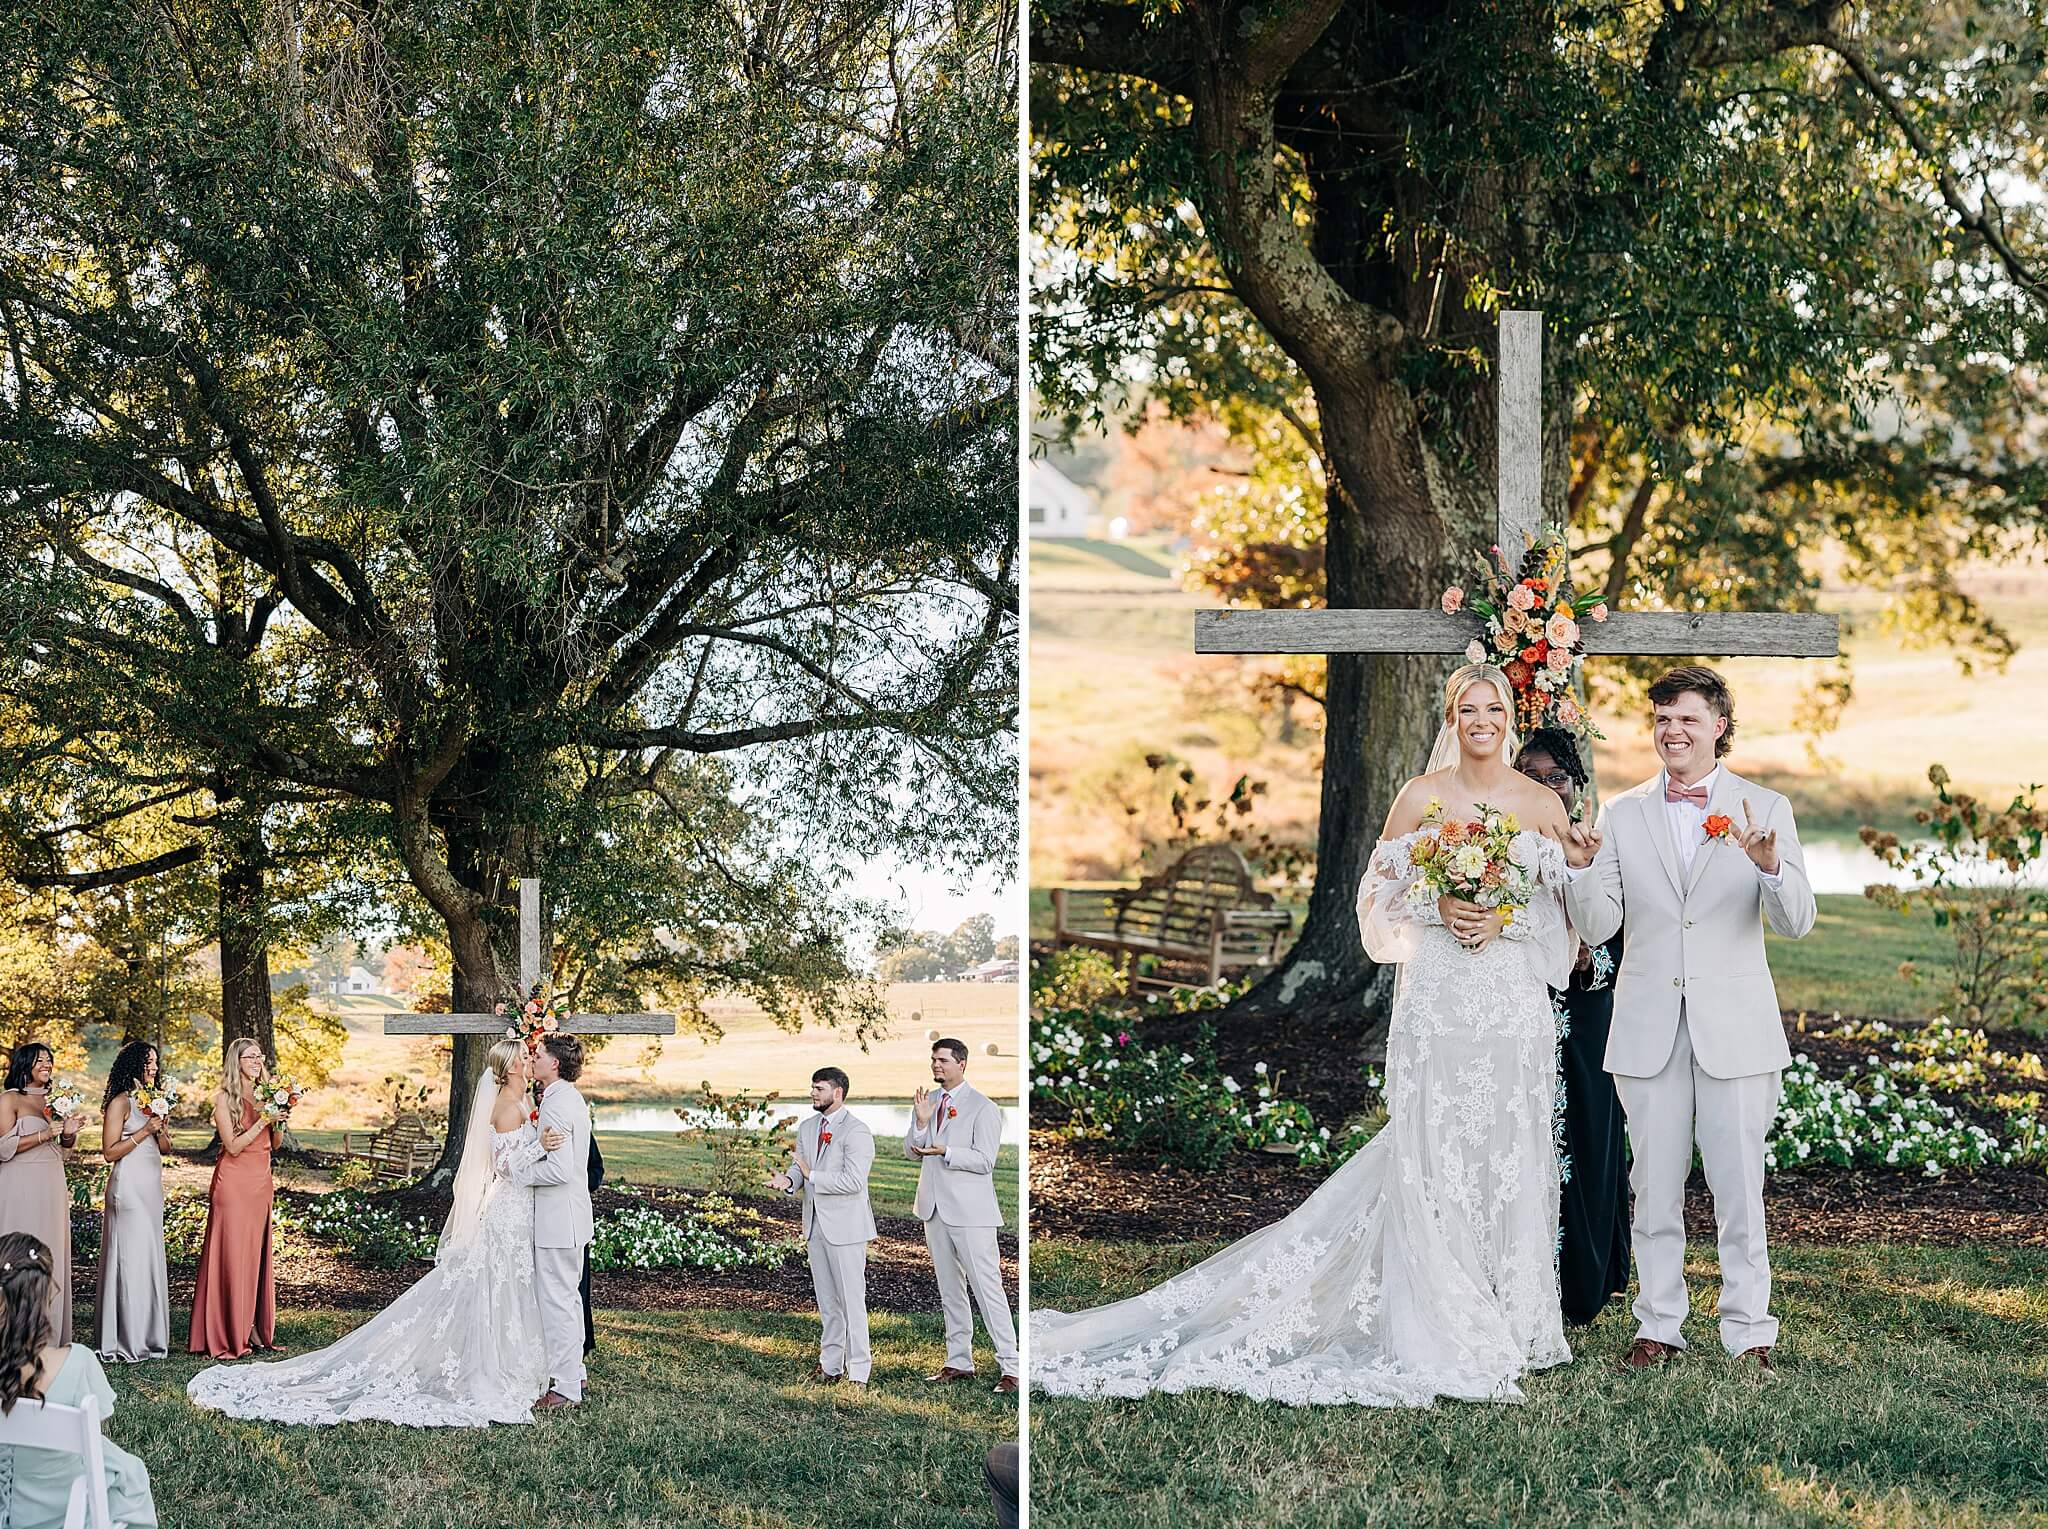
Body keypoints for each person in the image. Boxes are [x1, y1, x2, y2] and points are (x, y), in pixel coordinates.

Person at [1032, 663, 1576, 1406]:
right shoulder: (1421, 796)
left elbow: (1560, 915)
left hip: (1510, 1003)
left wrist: (1501, 915)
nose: (1482, 719)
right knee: (1435, 1141)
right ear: (1452, 716)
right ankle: (1439, 1310)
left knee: (1507, 1147)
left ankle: (1511, 1314)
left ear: (1512, 714)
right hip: (1442, 996)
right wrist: (1439, 904)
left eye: (1494, 706)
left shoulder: (1540, 801)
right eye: (1468, 707)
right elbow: (1376, 892)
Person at [1563, 665, 1815, 1372]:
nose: (1672, 731)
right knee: (1653, 1187)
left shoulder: (1765, 807)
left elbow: (1797, 920)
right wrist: (1580, 870)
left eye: (1687, 719)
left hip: (1735, 1029)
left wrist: (1770, 869)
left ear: (1719, 726)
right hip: (1648, 1026)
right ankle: (1659, 1324)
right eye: (1663, 718)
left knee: (1740, 1188)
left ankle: (1749, 1331)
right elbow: (1602, 920)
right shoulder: (1623, 812)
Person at [187, 1038, 563, 1425]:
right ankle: (488, 1367)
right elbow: (503, 1165)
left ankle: (509, 1360)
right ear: (512, 1067)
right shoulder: (503, 1104)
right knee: (491, 1283)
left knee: (507, 1285)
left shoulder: (526, 1100)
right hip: (505, 1207)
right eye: (525, 1056)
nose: (530, 1059)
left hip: (519, 1207)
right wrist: (540, 1148)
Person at [1516, 728, 1630, 1326]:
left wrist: (1591, 954)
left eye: (1555, 777)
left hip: (1586, 1016)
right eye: (1530, 777)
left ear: (1576, 784)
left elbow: (1620, 937)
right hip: (1522, 1011)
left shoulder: (1600, 844)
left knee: (1587, 1132)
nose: (1544, 789)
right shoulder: (1499, 846)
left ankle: (1585, 1277)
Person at [0, 1232, 157, 1528]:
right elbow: (91, 1439)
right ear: (46, 1296)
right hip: (62, 1513)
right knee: (130, 1474)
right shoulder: (77, 1363)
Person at [907, 1039, 1018, 1394]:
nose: (935, 1066)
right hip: (933, 1209)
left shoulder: (983, 1107)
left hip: (971, 1214)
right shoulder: (928, 1102)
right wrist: (922, 1125)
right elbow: (912, 1152)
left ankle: (1012, 1368)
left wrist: (948, 1151)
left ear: (962, 1064)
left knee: (988, 1289)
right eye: (932, 1060)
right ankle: (958, 1361)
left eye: (942, 1060)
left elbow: (986, 1161)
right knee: (949, 1290)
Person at [770, 1067, 877, 1386]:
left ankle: (859, 1371)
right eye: (812, 1087)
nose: (813, 1093)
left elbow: (854, 1181)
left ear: (838, 1093)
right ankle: (830, 1365)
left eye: (820, 1088)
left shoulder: (857, 1131)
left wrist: (812, 1174)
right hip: (815, 1225)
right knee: (828, 1302)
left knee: (851, 1302)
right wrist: (789, 1180)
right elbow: (799, 1167)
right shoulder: (807, 1128)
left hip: (846, 1229)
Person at [187, 1039, 283, 1360]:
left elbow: (277, 1143)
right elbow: (233, 1145)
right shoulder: (224, 1099)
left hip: (261, 1183)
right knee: (232, 1256)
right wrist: (263, 1121)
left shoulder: (267, 1095)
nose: (257, 1060)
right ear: (236, 1061)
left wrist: (279, 1120)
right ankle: (227, 1331)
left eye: (260, 1055)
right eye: (250, 1056)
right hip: (234, 1184)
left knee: (255, 1257)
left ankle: (252, 1327)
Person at [512, 1034, 593, 1412]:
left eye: (539, 1054)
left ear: (555, 1063)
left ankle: (565, 1388)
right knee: (569, 1298)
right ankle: (574, 1373)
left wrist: (518, 1173)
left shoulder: (556, 1105)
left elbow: (559, 1171)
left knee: (557, 1301)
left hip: (558, 1219)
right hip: (571, 1218)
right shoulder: (568, 1097)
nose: (534, 1057)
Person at [0, 1043, 81, 1345]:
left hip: (51, 1181)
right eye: (40, 1060)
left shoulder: (57, 1100)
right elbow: (3, 1148)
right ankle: (12, 1333)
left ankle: (47, 1334)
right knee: (19, 1251)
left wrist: (69, 1131)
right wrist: (45, 1132)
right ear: (24, 1065)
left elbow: (65, 1150)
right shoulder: (9, 1099)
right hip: (19, 1183)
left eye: (49, 1060)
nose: (46, 1065)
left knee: (50, 1251)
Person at [96, 1041, 170, 1362]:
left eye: (155, 1062)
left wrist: (162, 1128)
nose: (153, 1067)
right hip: (128, 1188)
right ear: (133, 1065)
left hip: (151, 1187)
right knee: (129, 1259)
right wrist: (144, 1132)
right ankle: (125, 1339)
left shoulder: (152, 1101)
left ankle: (150, 1337)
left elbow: (165, 1148)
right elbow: (110, 1151)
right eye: (147, 1062)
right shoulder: (120, 1102)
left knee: (148, 1257)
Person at [581, 1134, 605, 1356]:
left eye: (543, 1094)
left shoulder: (575, 1121)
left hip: (571, 1217)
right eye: (537, 1094)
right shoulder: (528, 1120)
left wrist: (576, 1183)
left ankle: (581, 1344)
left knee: (578, 1285)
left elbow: (596, 1170)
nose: (540, 1096)